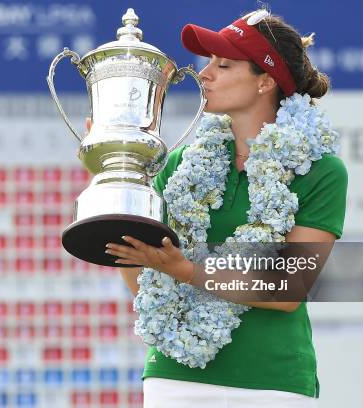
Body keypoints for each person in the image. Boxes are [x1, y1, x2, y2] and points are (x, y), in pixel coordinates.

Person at [104, 10, 348, 408]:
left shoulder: (319, 170)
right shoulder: (180, 164)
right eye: (209, 63)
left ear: (265, 81)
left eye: (224, 64)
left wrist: (188, 271)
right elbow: (142, 272)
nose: (205, 74)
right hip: (174, 378)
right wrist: (117, 175)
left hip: (271, 381)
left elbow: (288, 288)